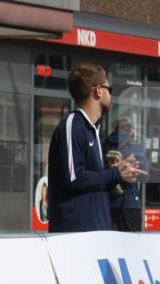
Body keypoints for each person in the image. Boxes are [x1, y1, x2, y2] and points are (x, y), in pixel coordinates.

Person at [47, 63, 144, 233]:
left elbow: (91, 181)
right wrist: (115, 173)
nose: (110, 95)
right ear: (98, 91)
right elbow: (74, 178)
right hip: (76, 234)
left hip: (96, 232)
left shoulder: (93, 129)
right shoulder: (73, 125)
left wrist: (115, 173)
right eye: (109, 89)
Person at [102, 117, 149, 231]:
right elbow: (145, 176)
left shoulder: (104, 144)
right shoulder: (136, 147)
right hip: (128, 203)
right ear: (131, 130)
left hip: (107, 203)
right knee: (131, 243)